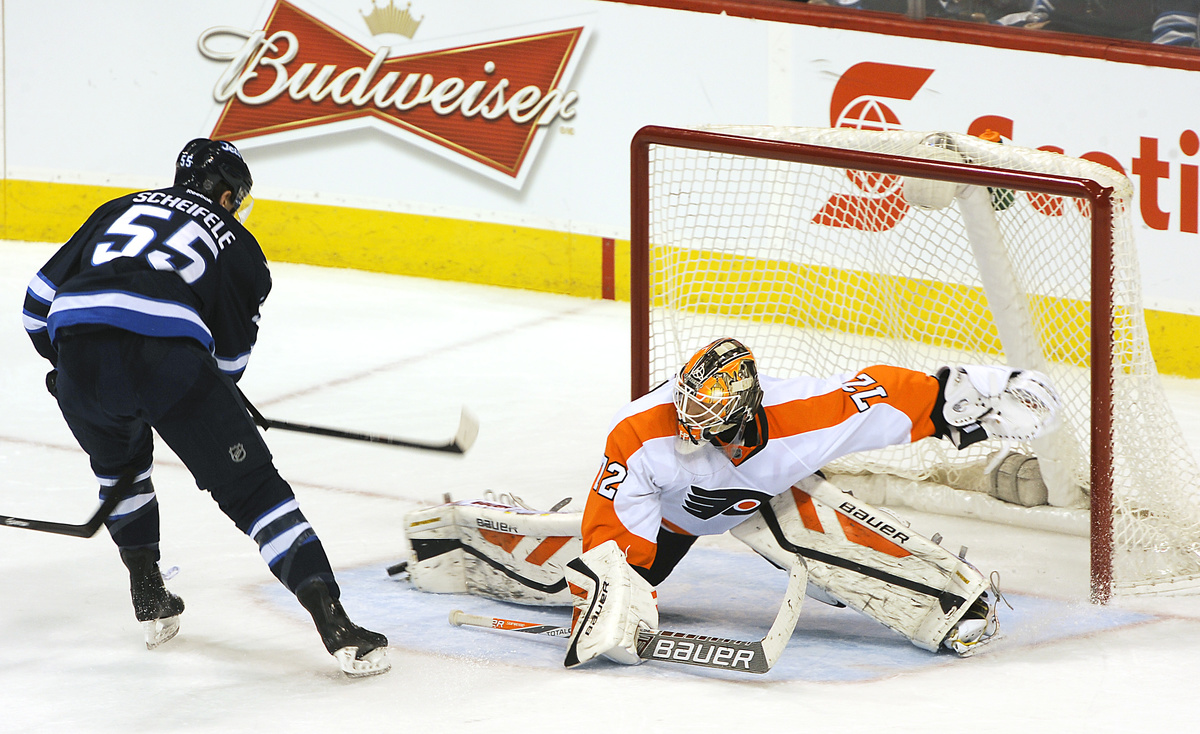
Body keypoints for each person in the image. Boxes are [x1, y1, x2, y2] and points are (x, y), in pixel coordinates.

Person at [21, 139, 390, 678]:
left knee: (121, 470)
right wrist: (197, 388)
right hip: (167, 364)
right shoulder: (240, 245)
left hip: (78, 358)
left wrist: (75, 362)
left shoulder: (118, 207)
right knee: (256, 493)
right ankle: (336, 625)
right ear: (225, 194)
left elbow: (36, 303)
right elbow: (231, 359)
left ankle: (148, 593)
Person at [564, 337, 1060, 668]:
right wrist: (617, 588)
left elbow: (886, 395)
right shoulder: (640, 434)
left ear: (744, 409)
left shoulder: (800, 417)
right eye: (688, 405)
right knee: (623, 582)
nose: (690, 421)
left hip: (769, 496)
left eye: (708, 412)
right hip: (672, 518)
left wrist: (984, 394)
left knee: (811, 524)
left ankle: (943, 600)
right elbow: (615, 520)